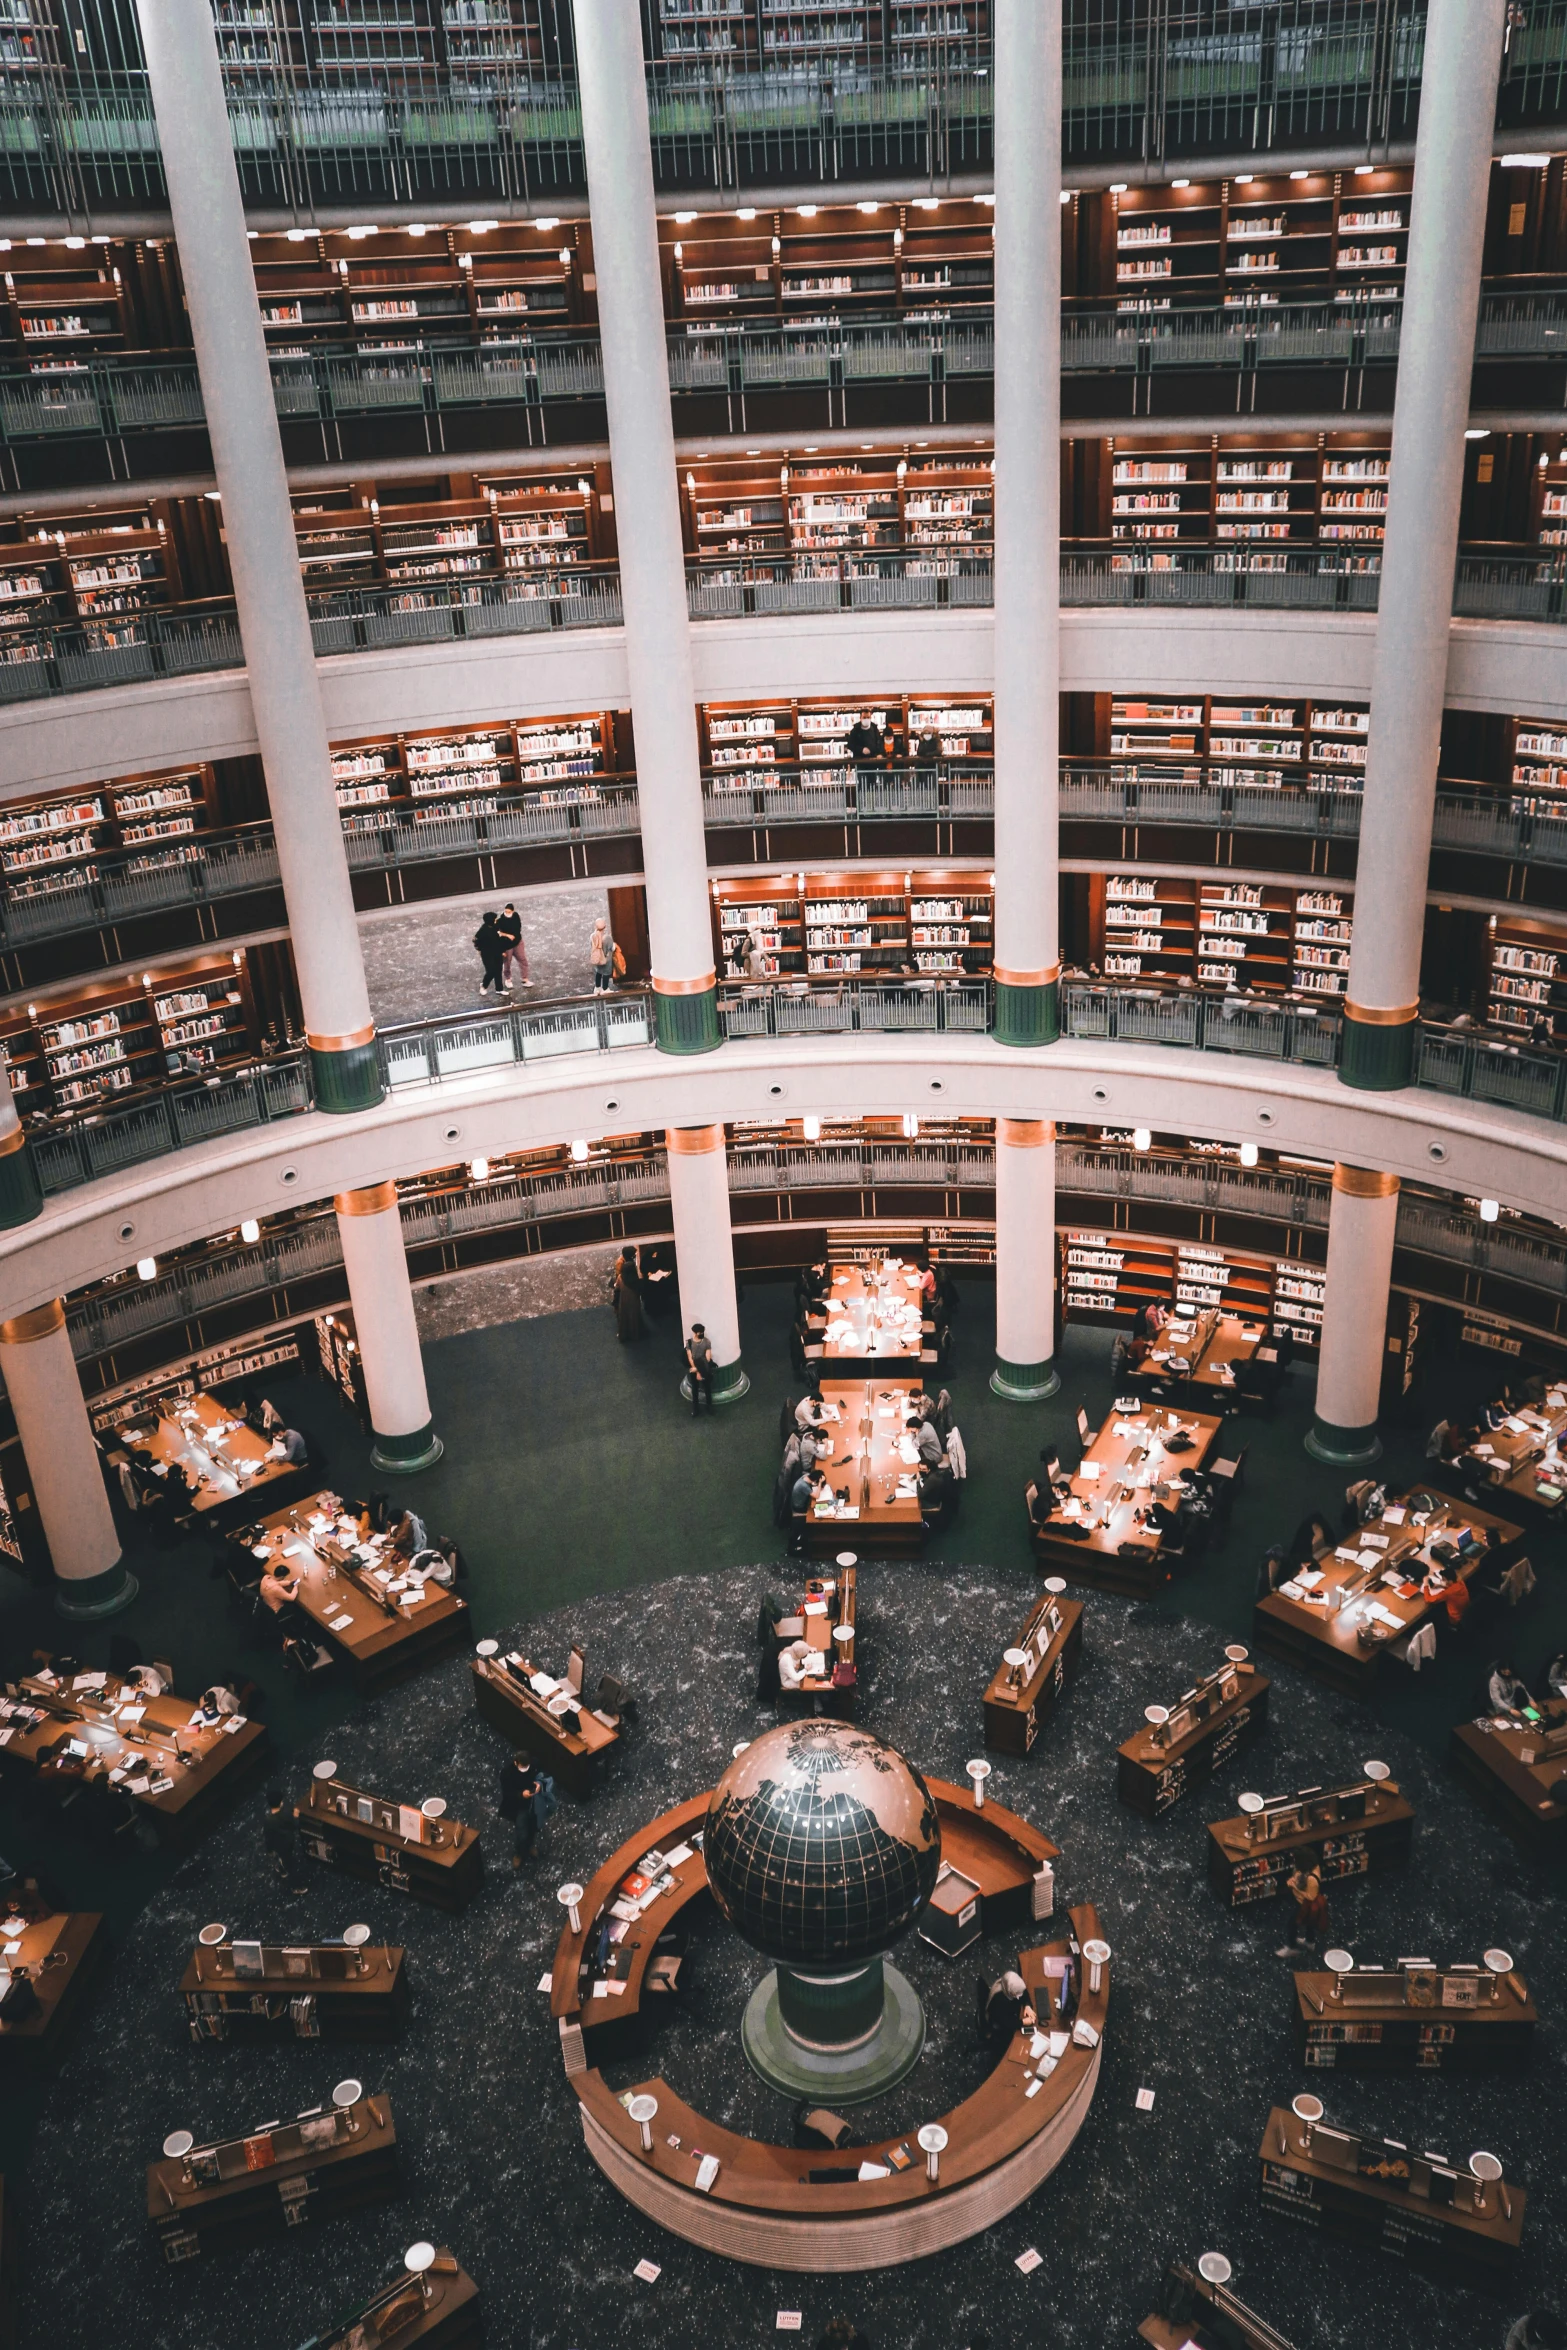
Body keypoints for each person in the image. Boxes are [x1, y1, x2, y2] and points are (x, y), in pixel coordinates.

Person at [1279, 1861, 1328, 1957]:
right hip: (1308, 1904)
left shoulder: (1310, 1878)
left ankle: (1291, 1947)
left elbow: (1309, 1897)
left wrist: (1294, 1887)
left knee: (1292, 1923)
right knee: (1310, 1920)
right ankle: (1310, 1942)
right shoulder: (1313, 1869)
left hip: (1303, 1903)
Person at [499, 1752, 539, 1869]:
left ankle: (530, 1845)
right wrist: (521, 1794)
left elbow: (540, 1776)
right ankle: (519, 1853)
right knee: (521, 1832)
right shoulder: (507, 1773)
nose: (525, 1769)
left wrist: (538, 1785)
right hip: (519, 1806)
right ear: (516, 1763)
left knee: (533, 1827)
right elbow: (507, 1793)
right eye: (522, 1766)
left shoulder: (533, 1764)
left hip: (533, 1803)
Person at [263, 1787, 307, 1893]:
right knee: (291, 1866)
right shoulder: (287, 1814)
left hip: (277, 1846)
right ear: (281, 1802)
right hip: (288, 1843)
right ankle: (296, 1887)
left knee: (283, 1859)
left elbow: (268, 1836)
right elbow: (295, 1825)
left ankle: (282, 1871)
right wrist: (296, 1816)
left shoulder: (268, 1821)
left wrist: (269, 1850)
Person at [613, 1245, 645, 1344]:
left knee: (624, 1316)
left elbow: (616, 1287)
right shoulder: (635, 1280)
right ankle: (635, 1334)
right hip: (634, 1300)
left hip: (623, 1300)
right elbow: (640, 1288)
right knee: (634, 1316)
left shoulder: (621, 1278)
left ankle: (624, 1335)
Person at [496, 902, 529, 988]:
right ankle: (508, 979)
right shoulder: (500, 921)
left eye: (509, 912)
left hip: (517, 943)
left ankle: (525, 979)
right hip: (506, 946)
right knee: (507, 963)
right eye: (506, 911)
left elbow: (518, 928)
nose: (507, 913)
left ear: (513, 911)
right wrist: (507, 936)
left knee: (523, 960)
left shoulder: (516, 916)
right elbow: (498, 933)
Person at [473, 910, 505, 996]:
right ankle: (484, 985)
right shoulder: (483, 931)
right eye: (494, 919)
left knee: (498, 970)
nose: (496, 920)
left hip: (497, 952)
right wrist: (479, 949)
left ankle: (499, 989)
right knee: (491, 971)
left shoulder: (495, 926)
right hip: (487, 954)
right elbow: (476, 941)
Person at [686, 1323, 714, 1417]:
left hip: (703, 1368)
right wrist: (697, 1371)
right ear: (695, 1332)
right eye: (699, 1332)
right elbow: (690, 1357)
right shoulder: (689, 1343)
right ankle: (695, 1408)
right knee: (695, 1389)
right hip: (695, 1368)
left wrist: (698, 1370)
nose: (701, 1333)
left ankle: (709, 1406)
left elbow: (708, 1358)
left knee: (707, 1388)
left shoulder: (707, 1342)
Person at [589, 914, 614, 992]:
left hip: (597, 958)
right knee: (606, 974)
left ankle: (597, 987)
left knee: (598, 973)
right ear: (605, 927)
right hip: (606, 960)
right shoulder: (607, 938)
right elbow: (611, 949)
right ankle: (605, 988)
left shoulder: (593, 936)